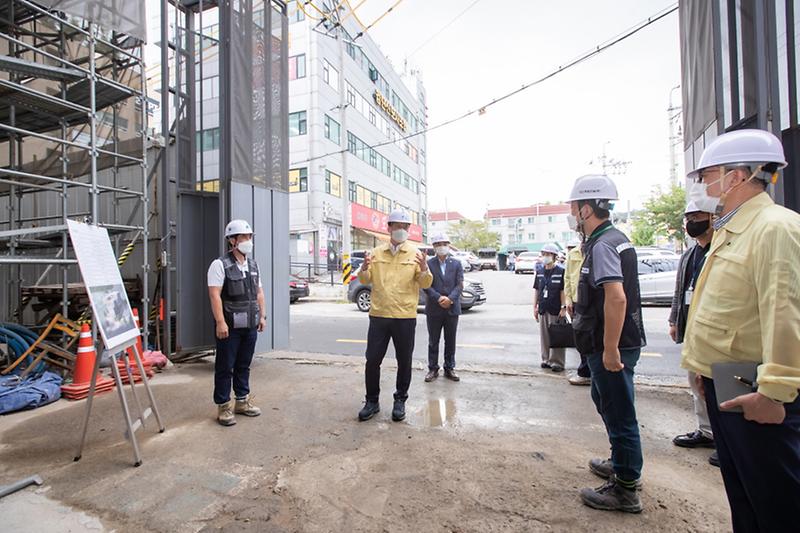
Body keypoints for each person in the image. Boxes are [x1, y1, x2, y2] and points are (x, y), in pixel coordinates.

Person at [681, 129, 800, 532]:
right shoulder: (732, 228)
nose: (701, 186)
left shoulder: (775, 228)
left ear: (736, 177)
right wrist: (703, 370)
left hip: (755, 384)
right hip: (728, 377)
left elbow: (786, 315)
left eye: (706, 176)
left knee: (775, 502)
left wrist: (774, 393)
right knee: (744, 492)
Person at [568, 174, 647, 513]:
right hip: (612, 342)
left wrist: (611, 349)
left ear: (586, 209)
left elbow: (616, 298)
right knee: (607, 402)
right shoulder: (615, 239)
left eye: (574, 208)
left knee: (619, 413)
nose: (572, 214)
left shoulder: (602, 245)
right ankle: (621, 462)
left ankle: (625, 488)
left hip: (611, 345)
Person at [357, 209, 432, 422]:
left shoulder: (415, 254)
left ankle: (400, 401)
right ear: (388, 227)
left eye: (405, 226)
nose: (401, 230)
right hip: (379, 315)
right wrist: (363, 268)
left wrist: (424, 269)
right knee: (372, 360)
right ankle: (372, 401)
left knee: (404, 361)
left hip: (404, 316)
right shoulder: (376, 253)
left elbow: (426, 283)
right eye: (397, 226)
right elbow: (364, 280)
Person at [668, 201, 718, 466]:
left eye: (697, 216)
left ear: (712, 217)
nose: (691, 223)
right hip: (691, 327)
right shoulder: (689, 254)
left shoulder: (720, 249)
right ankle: (707, 431)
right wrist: (674, 319)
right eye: (688, 218)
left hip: (714, 329)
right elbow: (680, 289)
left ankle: (725, 438)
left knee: (716, 384)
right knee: (695, 380)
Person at [207, 219, 266, 426]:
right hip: (229, 327)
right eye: (244, 237)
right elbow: (214, 295)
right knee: (225, 367)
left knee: (244, 365)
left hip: (249, 325)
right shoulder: (219, 265)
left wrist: (262, 316)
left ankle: (242, 401)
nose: (248, 240)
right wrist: (220, 322)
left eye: (250, 236)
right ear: (232, 240)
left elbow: (259, 292)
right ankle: (223, 406)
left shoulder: (253, 265)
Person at [424, 233, 463, 383]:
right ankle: (433, 368)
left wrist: (450, 299)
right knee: (433, 341)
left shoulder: (456, 263)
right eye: (439, 244)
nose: (442, 247)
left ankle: (449, 367)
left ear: (449, 245)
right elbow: (425, 285)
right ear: (434, 247)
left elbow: (459, 284)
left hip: (452, 309)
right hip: (434, 308)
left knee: (450, 340)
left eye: (445, 244)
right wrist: (438, 298)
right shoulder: (428, 264)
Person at [533, 243, 567, 373]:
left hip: (556, 308)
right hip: (543, 307)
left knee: (557, 335)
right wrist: (535, 306)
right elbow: (537, 290)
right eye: (543, 254)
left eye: (548, 254)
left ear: (554, 256)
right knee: (544, 336)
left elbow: (563, 291)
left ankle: (557, 362)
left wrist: (563, 307)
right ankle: (546, 359)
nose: (545, 257)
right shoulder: (540, 271)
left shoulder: (560, 271)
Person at [564, 240, 591, 386]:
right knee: (580, 337)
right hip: (576, 301)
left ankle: (589, 372)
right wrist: (568, 299)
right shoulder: (573, 253)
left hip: (591, 301)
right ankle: (584, 371)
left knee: (591, 337)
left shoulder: (595, 250)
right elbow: (567, 278)